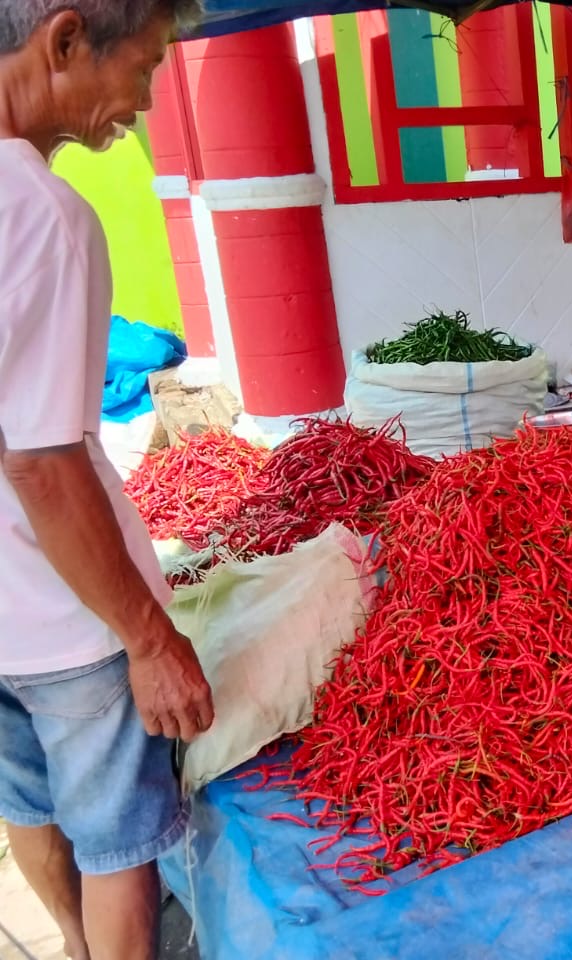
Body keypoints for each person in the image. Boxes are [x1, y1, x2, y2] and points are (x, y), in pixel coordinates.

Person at [0, 3, 212, 959]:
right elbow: (41, 462)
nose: (147, 98)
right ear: (66, 39)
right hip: (60, 611)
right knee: (119, 845)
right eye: (149, 63)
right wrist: (146, 635)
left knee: (25, 802)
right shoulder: (43, 214)